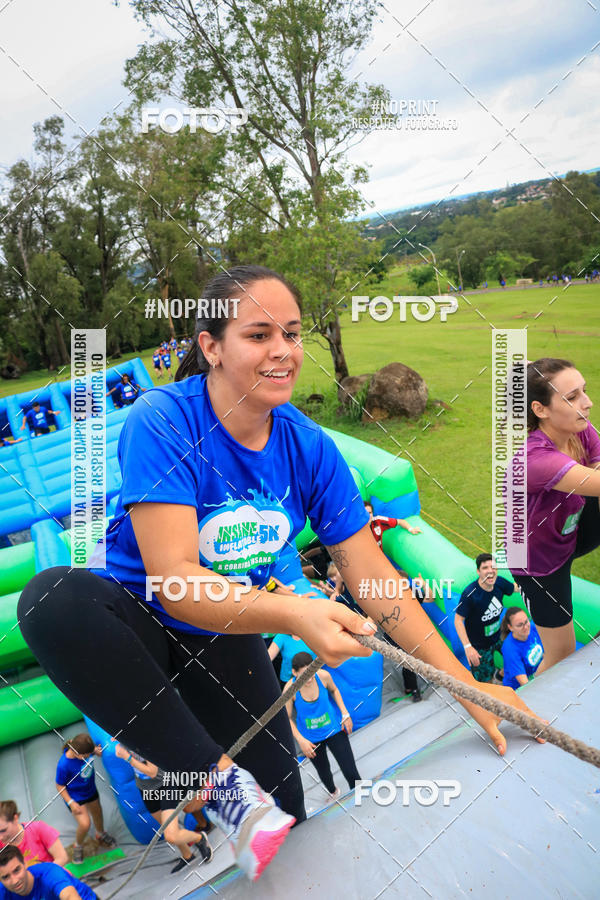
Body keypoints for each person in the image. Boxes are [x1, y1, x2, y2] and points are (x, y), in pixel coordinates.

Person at [19, 265, 543, 884]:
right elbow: (174, 582)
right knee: (49, 597)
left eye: (292, 334)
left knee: (284, 811)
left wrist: (471, 690)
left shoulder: (308, 445)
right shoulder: (161, 420)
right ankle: (217, 786)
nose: (284, 351)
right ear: (211, 347)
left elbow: (374, 577)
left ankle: (251, 810)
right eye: (259, 334)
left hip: (223, 633)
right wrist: (298, 612)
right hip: (136, 625)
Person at [510, 358, 600, 671]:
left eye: (584, 392)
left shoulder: (579, 429)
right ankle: (532, 716)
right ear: (540, 410)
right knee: (561, 652)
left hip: (574, 528)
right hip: (540, 564)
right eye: (572, 397)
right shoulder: (534, 459)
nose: (587, 403)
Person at [113, 744, 212, 873]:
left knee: (171, 835)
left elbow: (152, 772)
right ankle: (187, 855)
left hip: (165, 784)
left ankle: (200, 839)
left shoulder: (140, 739)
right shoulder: (121, 741)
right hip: (146, 789)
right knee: (165, 826)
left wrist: (127, 757)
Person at [285, 652, 360, 799]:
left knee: (351, 771)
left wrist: (345, 713)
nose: (310, 679)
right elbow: (286, 718)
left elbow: (334, 690)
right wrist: (301, 740)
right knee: (325, 774)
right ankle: (333, 791)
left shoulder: (323, 675)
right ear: (294, 673)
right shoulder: (290, 689)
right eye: (304, 676)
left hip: (333, 729)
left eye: (311, 674)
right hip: (310, 739)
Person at [455, 554, 519, 683]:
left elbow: (515, 588)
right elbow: (458, 620)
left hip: (499, 636)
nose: (490, 571)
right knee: (486, 682)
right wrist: (468, 647)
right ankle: (492, 685)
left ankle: (500, 675)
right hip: (479, 647)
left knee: (516, 657)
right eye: (485, 568)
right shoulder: (470, 594)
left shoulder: (500, 583)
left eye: (493, 567)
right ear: (478, 571)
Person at [55, 734, 117, 864]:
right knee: (85, 824)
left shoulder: (85, 751)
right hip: (75, 797)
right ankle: (78, 845)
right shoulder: (64, 764)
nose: (88, 757)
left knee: (97, 813)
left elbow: (93, 750)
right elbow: (59, 785)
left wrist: (96, 751)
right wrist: (70, 802)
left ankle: (100, 834)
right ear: (78, 754)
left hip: (90, 790)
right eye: (86, 755)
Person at [0, 845, 96, 899]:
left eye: (17, 870)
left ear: (25, 864)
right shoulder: (2, 891)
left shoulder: (49, 873)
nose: (14, 880)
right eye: (5, 877)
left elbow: (69, 896)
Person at [0, 802, 68, 868]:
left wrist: (41, 876)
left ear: (15, 819)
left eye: (3, 830)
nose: (1, 837)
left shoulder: (38, 828)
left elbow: (62, 858)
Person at [500, 608, 544, 690]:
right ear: (510, 627)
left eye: (526, 621)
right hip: (518, 688)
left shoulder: (533, 628)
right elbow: (525, 683)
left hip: (535, 674)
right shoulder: (510, 649)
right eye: (520, 625)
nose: (526, 627)